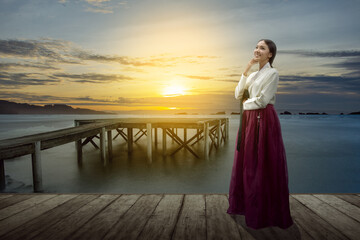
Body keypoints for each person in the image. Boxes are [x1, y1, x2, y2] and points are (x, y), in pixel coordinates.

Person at [227, 39, 294, 229]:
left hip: (264, 120)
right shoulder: (253, 75)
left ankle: (266, 211)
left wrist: (245, 104)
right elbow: (238, 94)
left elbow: (263, 101)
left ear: (270, 54)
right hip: (249, 120)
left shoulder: (273, 73)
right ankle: (249, 206)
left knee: (263, 163)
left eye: (262, 48)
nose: (257, 50)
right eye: (256, 47)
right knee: (248, 163)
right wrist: (246, 69)